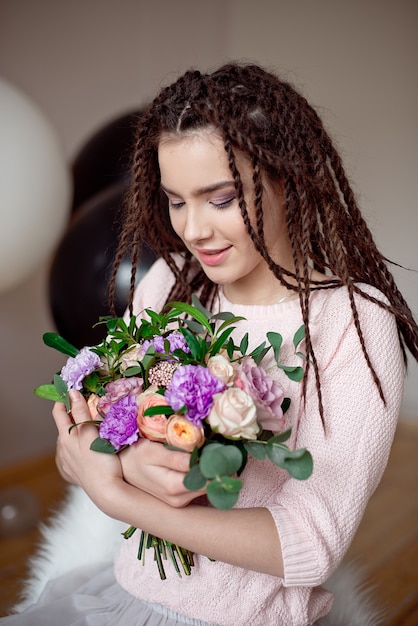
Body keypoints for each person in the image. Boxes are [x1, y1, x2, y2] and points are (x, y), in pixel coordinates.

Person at [4, 62, 418, 625]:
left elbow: (311, 541)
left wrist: (119, 496)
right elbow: (81, 452)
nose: (192, 229)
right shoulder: (166, 283)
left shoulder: (352, 320)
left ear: (286, 180)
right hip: (123, 595)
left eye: (219, 199)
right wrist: (107, 457)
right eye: (176, 200)